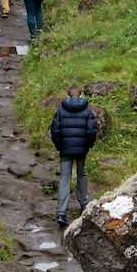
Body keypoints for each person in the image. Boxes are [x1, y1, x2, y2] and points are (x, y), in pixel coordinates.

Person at [49, 85, 99, 227]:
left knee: (65, 177)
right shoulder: (87, 110)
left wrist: (59, 146)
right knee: (82, 174)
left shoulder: (60, 110)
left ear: (68, 96)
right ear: (81, 96)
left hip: (65, 149)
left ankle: (61, 213)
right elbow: (91, 131)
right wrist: (88, 146)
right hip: (82, 150)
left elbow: (55, 131)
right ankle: (83, 203)